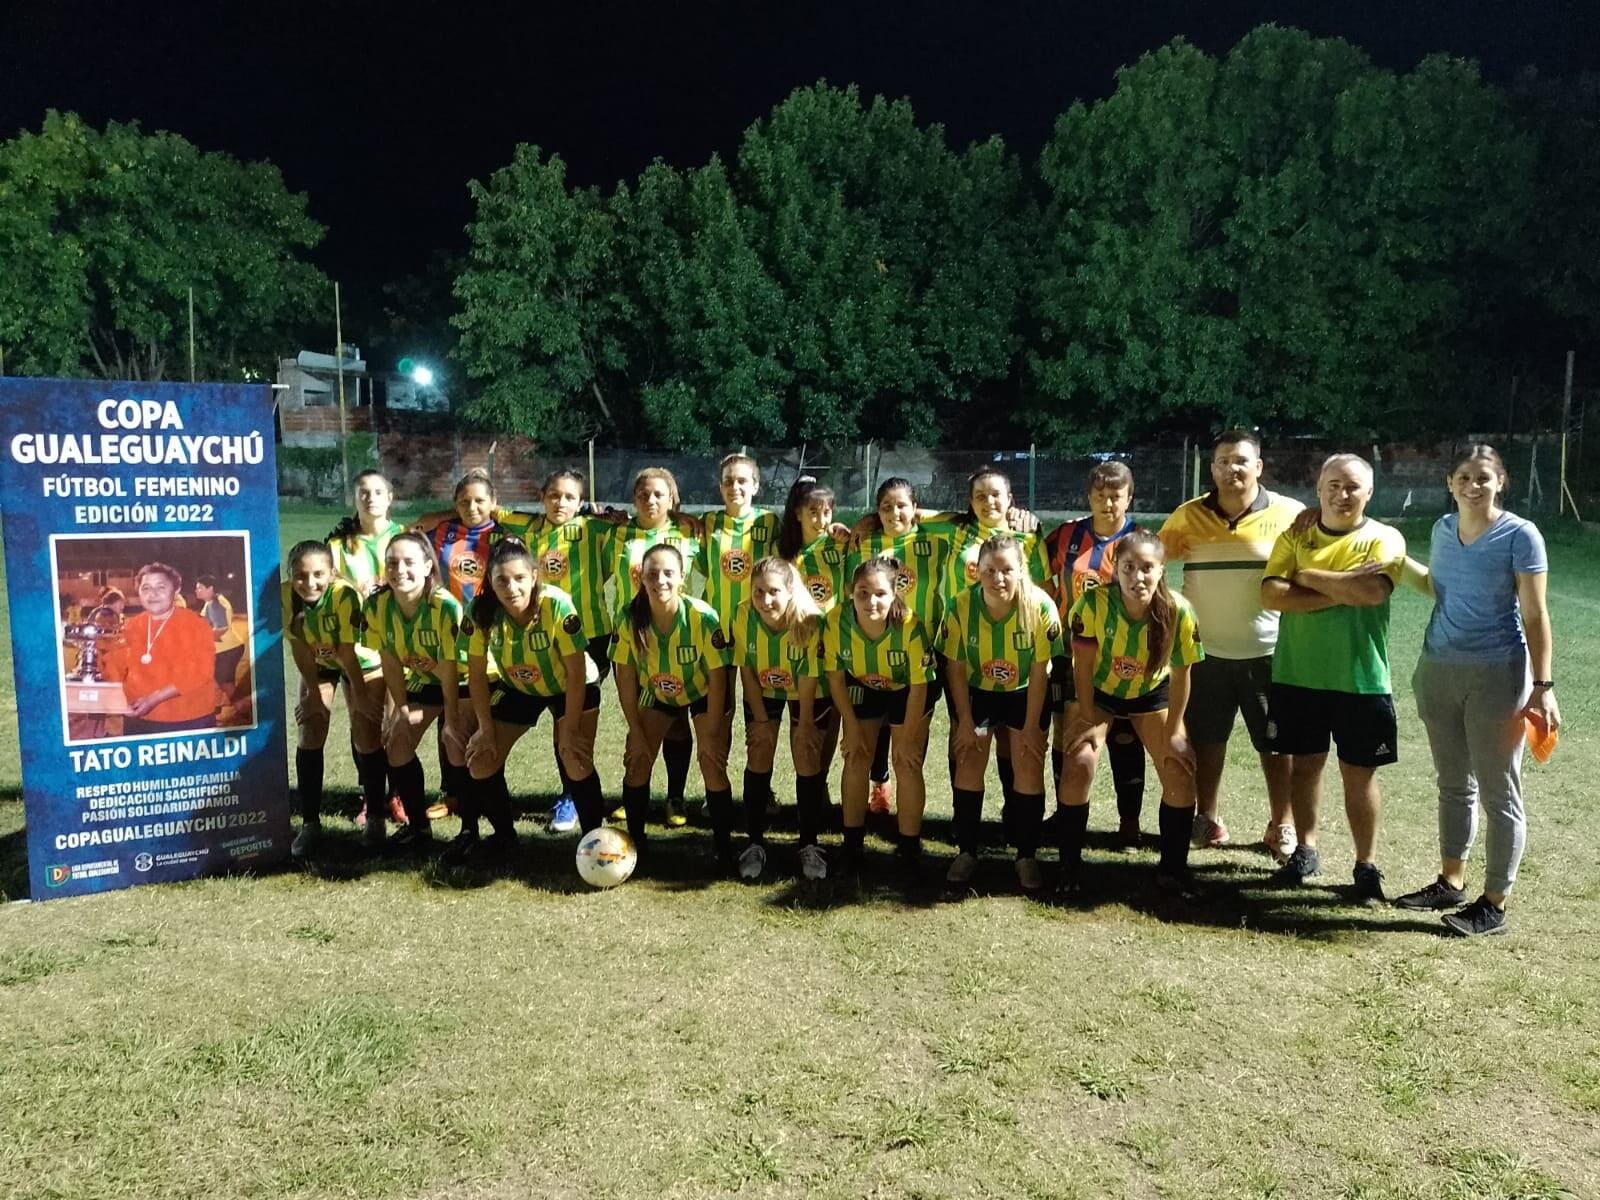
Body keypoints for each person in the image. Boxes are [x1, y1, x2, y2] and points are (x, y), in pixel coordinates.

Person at [1392, 444, 1559, 936]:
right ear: (1450, 483)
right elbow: (1442, 590)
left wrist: (1543, 686)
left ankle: (1494, 904)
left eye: (1483, 477)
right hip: (1439, 670)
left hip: (1497, 675)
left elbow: (1535, 614)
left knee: (1498, 791)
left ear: (1500, 482)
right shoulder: (1442, 531)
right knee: (1452, 783)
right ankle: (1450, 880)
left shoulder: (1520, 535)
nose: (1473, 485)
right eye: (1463, 476)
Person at [1261, 453, 1406, 903]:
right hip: (1298, 674)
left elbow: (1371, 591)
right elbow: (1271, 593)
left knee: (1359, 777)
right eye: (1334, 486)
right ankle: (1306, 850)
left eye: (1353, 487)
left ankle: (1365, 866)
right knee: (1304, 768)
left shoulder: (1384, 538)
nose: (1343, 495)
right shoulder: (1296, 534)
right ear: (1319, 488)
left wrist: (1306, 576)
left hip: (1360, 680)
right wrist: (1337, 588)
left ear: (1369, 492)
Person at [1159, 430, 1303, 861]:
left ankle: (1283, 825)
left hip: (1269, 653)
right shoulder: (1187, 516)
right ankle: (1207, 818)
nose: (1231, 469)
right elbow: (1149, 560)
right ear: (1212, 468)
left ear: (1259, 467)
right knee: (1206, 742)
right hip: (1204, 655)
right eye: (1223, 461)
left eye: (1241, 461)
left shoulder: (1292, 515)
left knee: (1276, 746)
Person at [1057, 530, 1203, 896]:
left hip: (1151, 695)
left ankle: (1173, 870)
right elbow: (1083, 668)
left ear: (1161, 570)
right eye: (1129, 567)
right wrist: (1087, 718)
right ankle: (1068, 868)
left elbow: (1183, 676)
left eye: (1147, 568)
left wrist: (1174, 732)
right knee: (1078, 764)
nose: (1137, 577)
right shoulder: (1092, 605)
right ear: (1115, 569)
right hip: (1100, 693)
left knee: (1179, 770)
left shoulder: (1179, 611)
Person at [448, 538, 603, 866]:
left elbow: (576, 672)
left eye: (519, 578)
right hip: (518, 685)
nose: (511, 587)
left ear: (534, 576)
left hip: (571, 685)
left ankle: (594, 841)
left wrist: (570, 728)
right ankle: (505, 836)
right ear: (490, 582)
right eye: (501, 580)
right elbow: (476, 674)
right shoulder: (480, 611)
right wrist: (485, 729)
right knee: (480, 759)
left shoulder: (556, 605)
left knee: (574, 756)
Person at [942, 535, 1062, 893]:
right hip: (978, 694)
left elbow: (1042, 668)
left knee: (1027, 763)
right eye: (990, 570)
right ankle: (966, 851)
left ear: (1021, 571)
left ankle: (1026, 856)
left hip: (1024, 693)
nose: (999, 578)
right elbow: (955, 665)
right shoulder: (961, 605)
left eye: (1007, 570)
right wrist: (963, 720)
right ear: (977, 571)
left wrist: (1029, 727)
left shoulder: (1040, 606)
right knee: (969, 761)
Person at [509, 469, 620, 833]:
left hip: (591, 637)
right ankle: (574, 792)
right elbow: (484, 511)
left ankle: (573, 797)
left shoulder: (593, 529)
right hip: (542, 635)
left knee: (567, 719)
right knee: (562, 715)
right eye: (554, 495)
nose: (561, 503)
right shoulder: (527, 528)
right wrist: (419, 524)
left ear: (580, 501)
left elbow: (631, 524)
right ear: (543, 496)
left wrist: (608, 514)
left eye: (570, 497)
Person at [1044, 461, 1146, 844]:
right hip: (1072, 653)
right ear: (1089, 496)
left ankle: (1129, 823)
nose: (1107, 504)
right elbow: (1036, 565)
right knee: (1068, 735)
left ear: (1129, 498)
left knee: (1124, 737)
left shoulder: (1139, 538)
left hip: (1123, 655)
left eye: (1116, 496)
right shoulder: (1068, 535)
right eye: (1100, 496)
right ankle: (1063, 811)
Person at [611, 543, 731, 868]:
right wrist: (636, 731)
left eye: (668, 573)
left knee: (710, 760)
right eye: (652, 573)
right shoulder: (629, 617)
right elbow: (625, 678)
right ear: (640, 578)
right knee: (637, 759)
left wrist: (715, 729)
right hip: (658, 693)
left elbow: (719, 678)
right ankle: (636, 842)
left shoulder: (701, 616)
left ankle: (724, 847)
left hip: (703, 691)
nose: (660, 580)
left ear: (682, 577)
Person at [824, 556, 936, 889]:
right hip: (863, 684)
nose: (871, 601)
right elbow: (834, 677)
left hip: (907, 691)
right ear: (850, 592)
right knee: (856, 756)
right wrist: (852, 726)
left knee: (907, 762)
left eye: (879, 594)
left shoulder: (910, 627)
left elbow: (920, 684)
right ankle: (852, 846)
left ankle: (908, 849)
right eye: (862, 593)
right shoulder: (836, 621)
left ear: (894, 594)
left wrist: (909, 736)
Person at [606, 468, 705, 827]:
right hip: (634, 635)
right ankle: (637, 790)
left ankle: (675, 796)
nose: (650, 500)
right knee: (639, 718)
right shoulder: (617, 532)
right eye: (643, 494)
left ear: (672, 499)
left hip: (679, 637)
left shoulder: (690, 532)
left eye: (659, 495)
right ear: (634, 498)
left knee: (676, 718)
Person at [850, 478, 954, 816]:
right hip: (873, 645)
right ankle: (879, 783)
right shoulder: (865, 541)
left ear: (914, 508)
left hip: (924, 649)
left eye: (901, 505)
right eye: (885, 506)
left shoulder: (935, 539)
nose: (894, 512)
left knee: (911, 725)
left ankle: (909, 791)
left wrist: (926, 515)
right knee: (877, 720)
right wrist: (865, 521)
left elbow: (964, 521)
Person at [361, 531, 468, 849]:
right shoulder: (377, 605)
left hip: (461, 682)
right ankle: (419, 828)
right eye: (392, 563)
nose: (399, 570)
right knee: (397, 742)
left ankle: (470, 830)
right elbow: (390, 662)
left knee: (456, 744)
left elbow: (450, 668)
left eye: (409, 562)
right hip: (425, 680)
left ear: (427, 568)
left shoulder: (444, 606)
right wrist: (403, 709)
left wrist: (451, 718)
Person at [281, 541, 382, 858]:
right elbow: (299, 646)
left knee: (365, 728)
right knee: (311, 726)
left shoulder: (343, 596)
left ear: (332, 573)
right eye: (300, 575)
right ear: (290, 575)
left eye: (317, 574)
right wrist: (312, 692)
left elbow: (347, 653)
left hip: (359, 662)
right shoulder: (286, 596)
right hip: (320, 663)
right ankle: (310, 824)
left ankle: (376, 818)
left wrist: (363, 697)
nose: (309, 583)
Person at [730, 558, 830, 882]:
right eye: (758, 592)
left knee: (806, 755)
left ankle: (809, 844)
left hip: (808, 690)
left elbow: (809, 678)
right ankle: (754, 843)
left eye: (774, 591)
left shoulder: (808, 620)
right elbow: (745, 667)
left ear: (790, 590)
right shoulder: (744, 613)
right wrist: (759, 720)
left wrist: (805, 727)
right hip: (764, 687)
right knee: (759, 753)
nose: (766, 600)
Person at [327, 468, 407, 828]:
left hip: (398, 644)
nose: (370, 497)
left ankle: (397, 794)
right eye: (363, 492)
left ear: (390, 498)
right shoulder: (339, 544)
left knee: (396, 723)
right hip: (359, 648)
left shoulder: (406, 537)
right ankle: (369, 795)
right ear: (354, 498)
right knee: (365, 724)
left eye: (378, 491)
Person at [102, 563, 218, 736]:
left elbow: (201, 672)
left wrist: (154, 698)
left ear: (176, 590)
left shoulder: (196, 624)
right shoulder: (131, 626)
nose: (152, 594)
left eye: (161, 587)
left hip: (188, 719)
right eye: (146, 587)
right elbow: (115, 667)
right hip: (138, 718)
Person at [195, 574, 246, 711]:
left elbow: (222, 628)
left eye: (200, 588)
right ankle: (216, 707)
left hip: (227, 649)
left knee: (225, 683)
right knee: (217, 679)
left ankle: (243, 708)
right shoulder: (212, 602)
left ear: (210, 588)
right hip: (228, 648)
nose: (196, 591)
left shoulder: (215, 604)